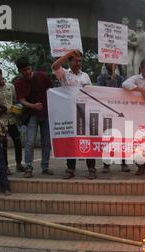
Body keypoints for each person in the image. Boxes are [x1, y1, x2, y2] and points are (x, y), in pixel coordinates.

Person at [51, 49, 98, 180]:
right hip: (69, 112)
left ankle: (91, 168)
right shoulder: (64, 74)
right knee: (71, 140)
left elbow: (91, 92)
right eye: (75, 60)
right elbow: (54, 66)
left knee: (88, 139)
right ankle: (70, 168)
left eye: (80, 61)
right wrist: (69, 52)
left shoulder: (86, 76)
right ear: (69, 61)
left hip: (85, 112)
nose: (78, 63)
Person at [14, 57, 54, 179]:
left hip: (46, 113)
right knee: (29, 142)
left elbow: (52, 90)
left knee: (46, 142)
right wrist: (34, 106)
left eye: (28, 69)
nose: (27, 72)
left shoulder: (42, 76)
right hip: (32, 114)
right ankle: (29, 167)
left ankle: (45, 166)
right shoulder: (19, 83)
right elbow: (21, 100)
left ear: (31, 68)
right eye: (23, 70)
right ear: (20, 71)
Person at [0, 66, 25, 175]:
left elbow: (15, 100)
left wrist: (18, 110)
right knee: (3, 144)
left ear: (1, 74)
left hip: (12, 118)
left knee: (17, 141)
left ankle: (18, 164)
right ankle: (5, 166)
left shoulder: (10, 86)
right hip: (0, 120)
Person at [97, 63, 130, 174]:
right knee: (107, 138)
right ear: (105, 64)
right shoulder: (100, 78)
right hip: (106, 113)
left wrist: (116, 82)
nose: (111, 65)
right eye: (108, 63)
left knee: (121, 138)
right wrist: (108, 83)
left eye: (113, 63)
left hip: (119, 112)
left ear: (116, 66)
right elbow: (99, 93)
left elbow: (124, 92)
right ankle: (106, 164)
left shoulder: (121, 79)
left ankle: (123, 163)